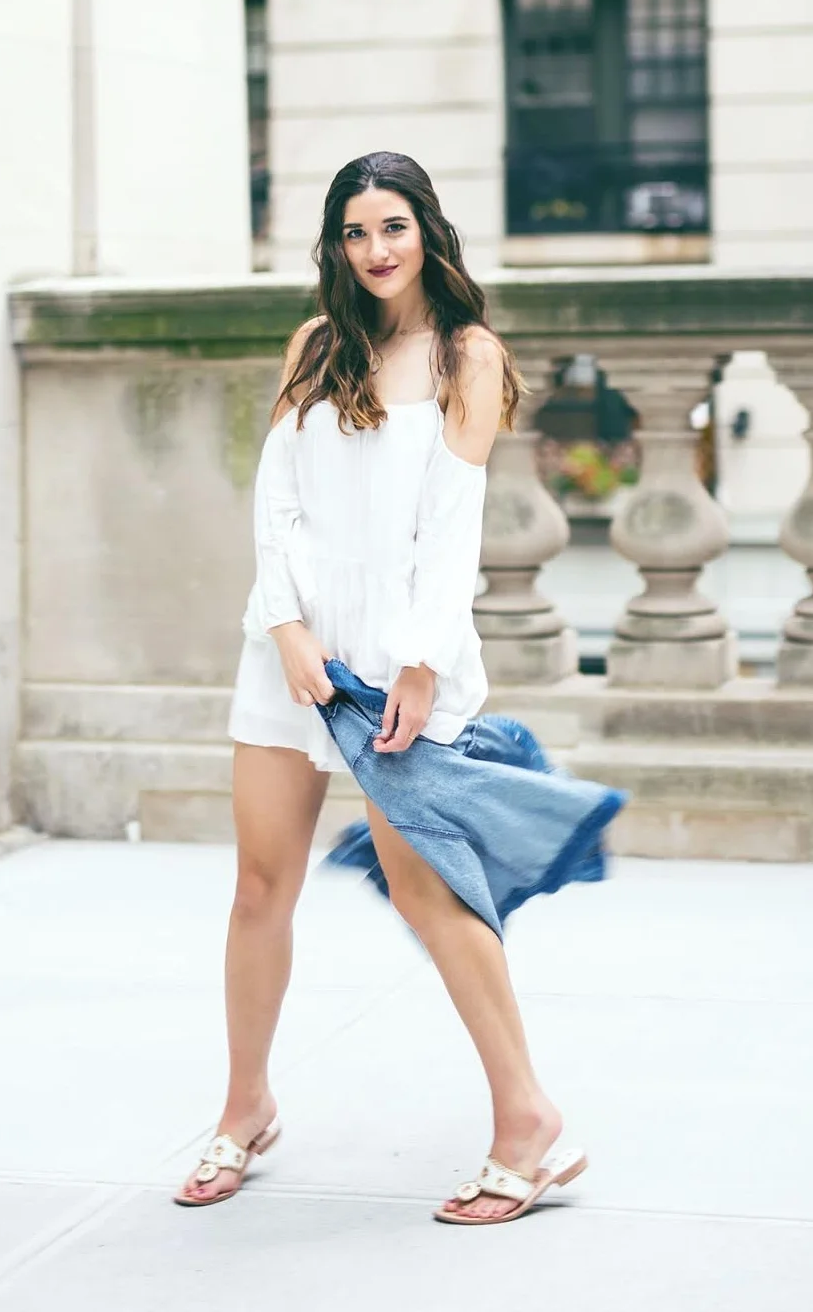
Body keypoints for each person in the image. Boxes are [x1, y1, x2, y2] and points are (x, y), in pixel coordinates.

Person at [175, 151, 587, 1224]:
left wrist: (414, 662)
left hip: (405, 660)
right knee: (259, 886)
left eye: (392, 227)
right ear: (336, 243)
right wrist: (284, 626)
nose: (375, 251)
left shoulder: (468, 355)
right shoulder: (316, 345)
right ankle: (245, 1103)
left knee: (426, 889)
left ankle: (528, 1119)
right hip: (291, 652)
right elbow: (276, 501)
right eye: (355, 232)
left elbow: (450, 532)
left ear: (426, 231)